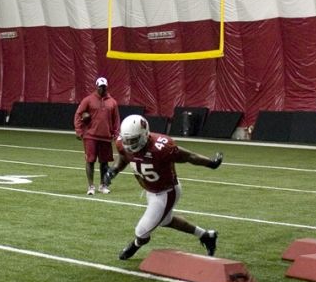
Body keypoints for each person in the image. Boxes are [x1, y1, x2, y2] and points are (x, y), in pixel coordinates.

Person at [105, 115, 223, 261]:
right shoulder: (123, 144)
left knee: (142, 232)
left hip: (166, 192)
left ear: (144, 135)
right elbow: (124, 156)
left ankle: (134, 245)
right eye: (126, 140)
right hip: (150, 189)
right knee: (166, 221)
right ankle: (206, 235)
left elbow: (189, 156)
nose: (128, 144)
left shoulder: (161, 147)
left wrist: (210, 163)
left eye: (133, 140)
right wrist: (114, 170)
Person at [73, 77, 120, 195]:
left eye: (104, 86)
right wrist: (79, 131)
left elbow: (116, 120)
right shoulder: (88, 100)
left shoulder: (112, 102)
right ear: (96, 86)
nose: (102, 89)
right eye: (100, 86)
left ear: (107, 87)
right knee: (90, 161)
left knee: (104, 162)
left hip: (105, 136)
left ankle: (103, 185)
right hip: (91, 136)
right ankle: (91, 186)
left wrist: (116, 134)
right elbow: (78, 114)